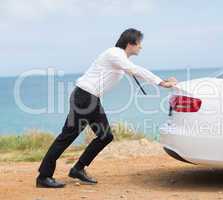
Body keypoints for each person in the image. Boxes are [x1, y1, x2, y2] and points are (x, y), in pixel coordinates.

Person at [36, 28, 177, 188]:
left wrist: (163, 80)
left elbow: (135, 71)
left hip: (89, 99)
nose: (141, 47)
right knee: (68, 137)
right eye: (139, 43)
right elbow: (136, 70)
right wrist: (161, 83)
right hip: (85, 97)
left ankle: (78, 169)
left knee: (105, 136)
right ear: (130, 43)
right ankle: (44, 176)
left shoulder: (120, 58)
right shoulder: (114, 53)